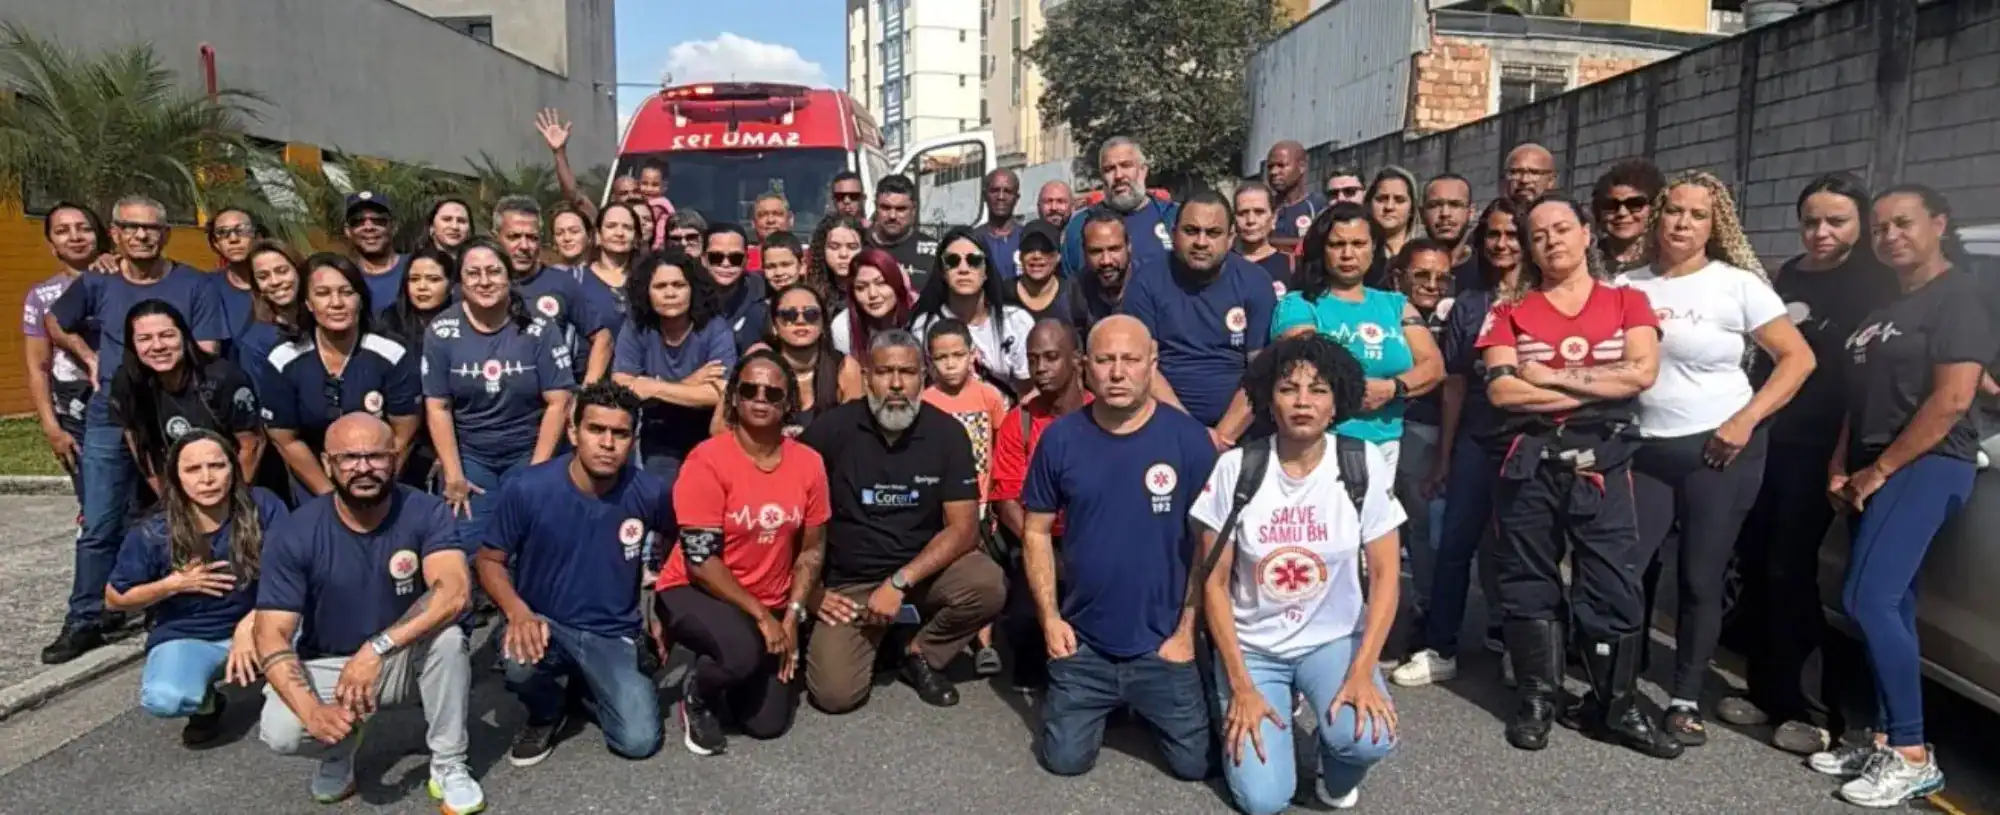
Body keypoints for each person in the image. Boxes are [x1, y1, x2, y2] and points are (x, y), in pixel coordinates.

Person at [1475, 194, 1678, 759]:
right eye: (1538, 235)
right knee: (1527, 578)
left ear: (1587, 234)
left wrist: (1553, 376)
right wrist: (1599, 384)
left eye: (1562, 229)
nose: (1551, 242)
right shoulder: (1508, 310)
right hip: (1529, 460)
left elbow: (1642, 375)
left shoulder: (1628, 301)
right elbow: (1503, 391)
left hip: (1603, 460)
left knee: (1612, 579)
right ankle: (1538, 698)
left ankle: (1615, 704)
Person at [1810, 185, 1991, 808]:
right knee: (1892, 602)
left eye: (1904, 223)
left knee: (1868, 598)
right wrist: (1842, 462)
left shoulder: (1958, 297)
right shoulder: (1889, 303)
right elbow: (1860, 396)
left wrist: (1880, 469)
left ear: (1939, 224)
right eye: (1881, 227)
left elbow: (1953, 399)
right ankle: (1888, 737)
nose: (1890, 237)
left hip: (1925, 465)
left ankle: (1912, 754)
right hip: (1873, 464)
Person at [1620, 171, 1814, 746]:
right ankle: (1618, 682)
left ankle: (1684, 698)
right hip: (1644, 448)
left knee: (1700, 578)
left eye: (1697, 214)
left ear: (1715, 225)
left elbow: (1798, 360)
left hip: (1719, 448)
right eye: (1674, 210)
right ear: (1658, 217)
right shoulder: (1626, 284)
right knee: (1625, 567)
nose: (1682, 223)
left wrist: (1745, 420)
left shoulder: (1737, 285)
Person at [1726, 173, 1898, 754]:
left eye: (1836, 221)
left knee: (1791, 568)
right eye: (1811, 221)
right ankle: (1764, 690)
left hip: (1827, 446)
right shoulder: (1789, 276)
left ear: (1860, 223)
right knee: (1755, 563)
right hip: (1772, 436)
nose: (1821, 232)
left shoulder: (1877, 281)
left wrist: (1844, 457)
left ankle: (1813, 709)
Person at [1194, 334, 1403, 812]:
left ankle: (1335, 768)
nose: (1303, 401)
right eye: (1289, 389)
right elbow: (1214, 582)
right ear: (1269, 400)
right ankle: (1258, 702)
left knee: (1366, 736)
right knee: (1263, 800)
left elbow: (1386, 575)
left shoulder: (1361, 462)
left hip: (1332, 639)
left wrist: (1363, 671)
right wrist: (1242, 685)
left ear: (1337, 402)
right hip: (1255, 646)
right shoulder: (1236, 468)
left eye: (1318, 389)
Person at [251, 414, 483, 813]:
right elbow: (270, 633)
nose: (363, 468)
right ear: (328, 464)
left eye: (376, 456)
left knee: (448, 640)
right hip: (329, 663)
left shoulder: (426, 511)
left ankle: (449, 764)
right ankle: (337, 749)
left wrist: (376, 649)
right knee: (282, 731)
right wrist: (312, 712)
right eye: (349, 458)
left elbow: (455, 592)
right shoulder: (295, 531)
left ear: (394, 458)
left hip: (401, 658)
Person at [1020, 315, 1214, 780]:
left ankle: (1150, 700)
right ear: (1085, 366)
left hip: (1163, 643)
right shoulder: (1060, 439)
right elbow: (1035, 532)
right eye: (1105, 360)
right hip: (1085, 643)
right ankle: (1104, 703)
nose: (1118, 372)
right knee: (1065, 761)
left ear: (1152, 363)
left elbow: (1209, 545)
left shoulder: (1190, 441)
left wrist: (1187, 632)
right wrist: (1050, 619)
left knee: (1196, 765)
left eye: (1131, 360)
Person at [46, 195, 229, 664]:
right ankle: (85, 617)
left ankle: (167, 602)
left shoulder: (194, 284)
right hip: (110, 414)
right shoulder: (98, 280)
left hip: (173, 411)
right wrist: (88, 356)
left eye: (151, 228)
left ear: (165, 234)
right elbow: (54, 321)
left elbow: (206, 348)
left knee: (176, 510)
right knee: (100, 520)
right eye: (131, 227)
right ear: (116, 233)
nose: (142, 235)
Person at [797, 329, 1005, 713]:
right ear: (866, 378)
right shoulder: (831, 430)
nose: (896, 384)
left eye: (907, 372)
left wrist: (899, 583)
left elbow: (964, 529)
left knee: (987, 583)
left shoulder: (947, 433)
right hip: (851, 583)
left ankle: (919, 652)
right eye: (884, 372)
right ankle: (877, 638)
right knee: (834, 695)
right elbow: (788, 510)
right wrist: (809, 592)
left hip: (921, 575)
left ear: (922, 377)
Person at [479, 381, 666, 765]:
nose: (607, 443)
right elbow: (489, 560)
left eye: (620, 434)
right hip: (543, 623)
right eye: (596, 429)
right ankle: (547, 711)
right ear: (573, 431)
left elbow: (680, 545)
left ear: (633, 440)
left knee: (639, 741)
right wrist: (517, 612)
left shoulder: (651, 492)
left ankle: (586, 688)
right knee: (519, 665)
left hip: (613, 631)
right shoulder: (528, 488)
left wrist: (663, 608)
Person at [658, 352, 831, 754]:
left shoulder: (809, 463)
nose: (760, 399)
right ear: (734, 397)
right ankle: (697, 695)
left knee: (766, 724)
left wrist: (791, 616)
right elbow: (700, 561)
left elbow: (811, 550)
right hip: (695, 587)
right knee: (741, 652)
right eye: (750, 390)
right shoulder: (707, 460)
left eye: (773, 393)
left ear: (789, 403)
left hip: (770, 598)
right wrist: (762, 617)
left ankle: (727, 666)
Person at [1393, 198, 1525, 688]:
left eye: (1513, 234)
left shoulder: (1545, 298)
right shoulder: (1469, 304)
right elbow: (1454, 383)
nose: (1502, 243)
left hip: (1529, 439)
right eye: (1493, 235)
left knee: (1521, 547)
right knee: (1453, 543)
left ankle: (1519, 645)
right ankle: (1441, 647)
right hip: (1474, 437)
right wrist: (1444, 457)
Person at [107, 430, 287, 746]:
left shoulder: (264, 505)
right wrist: (173, 584)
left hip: (263, 622)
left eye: (217, 466)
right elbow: (114, 599)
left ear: (233, 468)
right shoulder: (153, 532)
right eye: (192, 469)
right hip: (191, 634)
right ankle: (207, 703)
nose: (207, 479)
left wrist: (251, 624)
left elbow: (294, 574)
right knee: (165, 698)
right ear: (176, 478)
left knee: (318, 639)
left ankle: (287, 694)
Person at [1259, 205, 1444, 472]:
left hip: (1387, 445)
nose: (1348, 254)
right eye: (1337, 244)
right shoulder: (1298, 304)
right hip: (1320, 444)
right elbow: (1305, 366)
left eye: (1358, 244)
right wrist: (1356, 390)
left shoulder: (1396, 304)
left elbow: (1434, 367)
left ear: (1373, 247)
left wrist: (1392, 388)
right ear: (1322, 249)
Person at [423, 239, 576, 540]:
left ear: (509, 276)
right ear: (459, 281)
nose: (484, 281)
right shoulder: (441, 331)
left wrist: (538, 472)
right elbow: (438, 406)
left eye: (493, 272)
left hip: (528, 449)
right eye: (473, 273)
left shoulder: (539, 327)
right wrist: (453, 475)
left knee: (528, 540)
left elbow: (559, 402)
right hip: (471, 455)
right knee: (469, 543)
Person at [262, 254, 421, 501]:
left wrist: (375, 488)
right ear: (308, 303)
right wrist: (331, 498)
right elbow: (285, 439)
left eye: (346, 292)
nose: (336, 303)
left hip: (384, 481)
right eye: (323, 293)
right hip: (315, 483)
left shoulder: (392, 353)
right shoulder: (283, 359)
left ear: (361, 299)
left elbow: (404, 435)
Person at [1122, 192, 1278, 436]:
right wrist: (1192, 435)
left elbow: (1262, 372)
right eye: (1191, 231)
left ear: (1230, 238)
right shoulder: (1146, 282)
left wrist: (1223, 436)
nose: (1201, 242)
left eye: (1213, 233)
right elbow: (1143, 367)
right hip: (1164, 425)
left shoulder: (1255, 282)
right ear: (1173, 234)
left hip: (1240, 429)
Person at [991, 318, 1090, 691]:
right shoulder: (1020, 421)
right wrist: (1041, 547)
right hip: (1038, 535)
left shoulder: (1101, 414)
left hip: (1093, 535)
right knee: (1025, 613)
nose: (1041, 368)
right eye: (1033, 359)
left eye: (1051, 357)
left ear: (1076, 359)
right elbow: (1006, 500)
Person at [611, 250, 738, 514]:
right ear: (646, 292)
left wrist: (655, 387)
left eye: (678, 285)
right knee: (661, 500)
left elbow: (720, 393)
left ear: (693, 289)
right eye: (660, 286)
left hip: (708, 433)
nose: (670, 293)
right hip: (659, 433)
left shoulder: (715, 328)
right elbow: (622, 384)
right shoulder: (636, 327)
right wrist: (691, 383)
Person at [109, 300, 264, 513]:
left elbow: (251, 445)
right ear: (132, 345)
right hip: (179, 489)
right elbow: (143, 450)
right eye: (145, 339)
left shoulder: (223, 378)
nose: (158, 346)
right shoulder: (127, 383)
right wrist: (173, 506)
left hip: (235, 485)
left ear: (184, 336)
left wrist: (228, 504)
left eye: (167, 335)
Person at [24, 201, 104, 505]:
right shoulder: (41, 297)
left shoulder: (125, 280)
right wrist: (51, 428)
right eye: (62, 231)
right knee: (93, 501)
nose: (75, 237)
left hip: (125, 404)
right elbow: (39, 367)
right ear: (51, 244)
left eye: (84, 228)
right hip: (75, 410)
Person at [493, 196, 614, 384]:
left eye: (532, 238)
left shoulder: (562, 283)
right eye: (514, 237)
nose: (524, 246)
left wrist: (586, 391)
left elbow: (603, 338)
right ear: (495, 238)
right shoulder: (476, 287)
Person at [715, 284, 864, 438]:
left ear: (822, 323)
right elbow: (720, 428)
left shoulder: (844, 367)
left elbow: (853, 434)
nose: (800, 320)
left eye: (811, 314)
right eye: (789, 315)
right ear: (774, 326)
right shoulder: (758, 364)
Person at [911, 227, 1037, 394]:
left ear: (986, 271)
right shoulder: (923, 328)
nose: (963, 269)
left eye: (974, 260)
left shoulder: (1016, 322)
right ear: (942, 272)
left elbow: (1027, 392)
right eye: (952, 261)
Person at [376, 247, 458, 488]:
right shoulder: (387, 322)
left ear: (451, 285)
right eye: (414, 279)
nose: (422, 287)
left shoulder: (465, 322)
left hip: (454, 435)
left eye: (433, 279)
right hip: (401, 435)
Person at [1062, 137, 1179, 278]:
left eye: (1126, 165)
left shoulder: (1174, 218)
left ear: (1143, 170)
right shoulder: (1079, 226)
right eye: (1109, 169)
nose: (1118, 176)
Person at [1005, 221, 1087, 334]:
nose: (1037, 256)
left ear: (1058, 257)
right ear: (1020, 256)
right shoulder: (1003, 294)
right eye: (1029, 249)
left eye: (1045, 249)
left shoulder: (1073, 295)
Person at [830, 248, 915, 356]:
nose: (872, 294)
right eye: (861, 287)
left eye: (881, 283)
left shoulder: (919, 320)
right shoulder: (843, 326)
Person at [704, 223, 771, 353]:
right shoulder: (688, 293)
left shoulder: (764, 288)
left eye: (736, 258)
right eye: (716, 257)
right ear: (703, 259)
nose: (726, 264)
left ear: (746, 260)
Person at [1593, 159, 1666, 274]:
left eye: (1634, 204)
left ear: (1655, 207)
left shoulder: (1666, 259)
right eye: (1611, 205)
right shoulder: (1583, 259)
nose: (1622, 213)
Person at [204, 208, 264, 343]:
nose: (233, 239)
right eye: (222, 233)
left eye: (241, 230)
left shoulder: (279, 283)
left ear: (258, 236)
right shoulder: (206, 288)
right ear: (216, 243)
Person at [870, 175, 938, 291]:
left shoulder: (934, 252)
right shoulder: (858, 245)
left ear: (913, 210)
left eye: (900, 209)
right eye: (885, 208)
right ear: (875, 207)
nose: (892, 216)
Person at [341, 191, 409, 309]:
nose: (368, 227)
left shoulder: (418, 268)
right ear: (347, 231)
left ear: (394, 227)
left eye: (378, 220)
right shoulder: (342, 277)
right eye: (357, 221)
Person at [579, 203, 643, 325]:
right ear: (598, 235)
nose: (619, 233)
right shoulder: (578, 279)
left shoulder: (647, 278)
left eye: (627, 227)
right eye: (611, 226)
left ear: (636, 238)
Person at [1234, 181, 1295, 295]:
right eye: (1243, 213)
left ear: (1274, 218)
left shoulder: (1290, 265)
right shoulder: (1222, 265)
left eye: (1259, 212)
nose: (1251, 220)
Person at [1264, 140, 1325, 252]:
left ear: (1301, 167)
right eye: (1270, 167)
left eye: (1281, 165)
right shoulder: (1262, 208)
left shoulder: (1318, 207)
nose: (1273, 172)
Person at [1364, 167, 1419, 289]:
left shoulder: (1424, 254)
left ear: (1411, 208)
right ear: (1369, 204)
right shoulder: (1358, 254)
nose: (1389, 207)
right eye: (1381, 199)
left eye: (1399, 200)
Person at [1074, 213, 1131, 330]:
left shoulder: (1152, 285)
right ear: (1084, 252)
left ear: (1129, 246)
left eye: (1114, 249)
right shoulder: (1075, 291)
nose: (1106, 261)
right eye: (1096, 252)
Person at [972, 169, 1025, 281]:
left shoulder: (1027, 238)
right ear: (984, 196)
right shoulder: (972, 240)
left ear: (1016, 198)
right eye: (995, 191)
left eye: (1008, 192)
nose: (1001, 197)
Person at [1420, 174, 1474, 268]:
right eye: (1435, 205)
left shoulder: (1489, 269)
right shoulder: (1405, 265)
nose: (1445, 213)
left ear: (1471, 212)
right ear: (1422, 214)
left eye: (1455, 205)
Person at [809, 214, 868, 301]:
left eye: (852, 247)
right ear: (822, 250)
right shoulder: (810, 295)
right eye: (834, 247)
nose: (843, 254)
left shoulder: (873, 293)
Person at [1504, 144, 1559, 208]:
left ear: (1551, 180)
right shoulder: (1495, 212)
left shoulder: (1564, 213)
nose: (1524, 180)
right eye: (1515, 172)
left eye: (1534, 172)